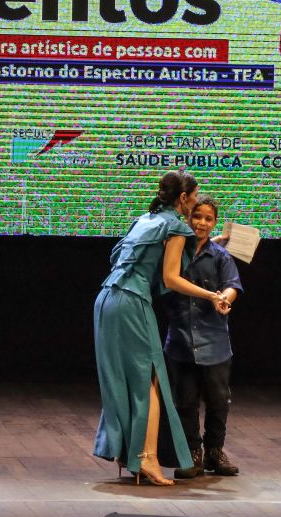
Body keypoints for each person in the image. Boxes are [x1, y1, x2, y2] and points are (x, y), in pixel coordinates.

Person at [92, 171, 230, 486]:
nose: (195, 206)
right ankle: (147, 459)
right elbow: (170, 278)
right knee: (149, 379)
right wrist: (211, 294)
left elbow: (121, 256)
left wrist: (207, 244)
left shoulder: (144, 220)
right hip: (131, 302)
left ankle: (129, 453)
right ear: (182, 199)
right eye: (194, 199)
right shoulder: (175, 225)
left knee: (121, 378)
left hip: (106, 298)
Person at [163, 195, 243, 478]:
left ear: (214, 223)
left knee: (219, 400)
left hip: (215, 342)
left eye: (208, 219)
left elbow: (232, 285)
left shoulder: (220, 256)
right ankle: (192, 453)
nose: (201, 223)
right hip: (181, 341)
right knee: (185, 400)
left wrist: (224, 298)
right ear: (188, 217)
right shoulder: (175, 251)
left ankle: (214, 451)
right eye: (197, 217)